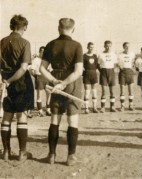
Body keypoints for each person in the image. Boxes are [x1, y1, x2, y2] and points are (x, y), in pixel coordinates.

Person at [40, 18, 83, 166]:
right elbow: (78, 71)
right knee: (73, 120)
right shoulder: (77, 45)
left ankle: (51, 155)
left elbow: (42, 68)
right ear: (73, 29)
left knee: (54, 120)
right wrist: (64, 84)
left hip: (55, 82)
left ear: (58, 28)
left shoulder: (50, 44)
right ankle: (71, 156)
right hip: (72, 84)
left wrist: (54, 82)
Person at [0, 14, 34, 161]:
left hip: (5, 79)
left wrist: (5, 81)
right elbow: (23, 68)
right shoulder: (25, 43)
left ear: (11, 26)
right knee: (21, 116)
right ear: (24, 27)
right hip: (20, 82)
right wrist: (10, 81)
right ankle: (22, 153)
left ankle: (6, 152)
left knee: (7, 116)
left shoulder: (2, 42)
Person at [30, 46, 52, 116]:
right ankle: (40, 111)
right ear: (39, 52)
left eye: (44, 52)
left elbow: (49, 70)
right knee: (39, 95)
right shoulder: (36, 60)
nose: (43, 53)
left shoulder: (47, 60)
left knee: (49, 93)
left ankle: (48, 110)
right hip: (39, 77)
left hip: (46, 78)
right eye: (42, 52)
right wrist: (36, 76)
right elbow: (32, 70)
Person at [98, 41, 118, 113]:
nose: (108, 47)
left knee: (112, 91)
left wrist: (112, 70)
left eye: (109, 46)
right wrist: (102, 71)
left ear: (111, 46)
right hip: (103, 72)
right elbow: (98, 64)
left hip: (111, 72)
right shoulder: (101, 54)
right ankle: (102, 107)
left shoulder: (113, 54)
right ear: (104, 46)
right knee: (104, 91)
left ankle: (112, 107)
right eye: (106, 46)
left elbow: (115, 64)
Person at [117, 42, 135, 111]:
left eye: (128, 46)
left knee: (131, 89)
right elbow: (118, 63)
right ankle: (122, 106)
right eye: (126, 46)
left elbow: (133, 63)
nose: (127, 48)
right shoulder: (120, 55)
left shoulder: (132, 54)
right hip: (122, 73)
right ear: (123, 47)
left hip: (130, 72)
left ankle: (131, 105)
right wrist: (120, 66)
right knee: (122, 89)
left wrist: (132, 68)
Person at [83, 42, 99, 114]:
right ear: (87, 47)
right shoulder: (84, 56)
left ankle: (94, 108)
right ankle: (86, 108)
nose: (91, 48)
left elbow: (96, 65)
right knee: (87, 92)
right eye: (90, 47)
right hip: (87, 74)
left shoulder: (95, 56)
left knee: (94, 91)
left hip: (94, 74)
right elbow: (82, 66)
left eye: (92, 47)